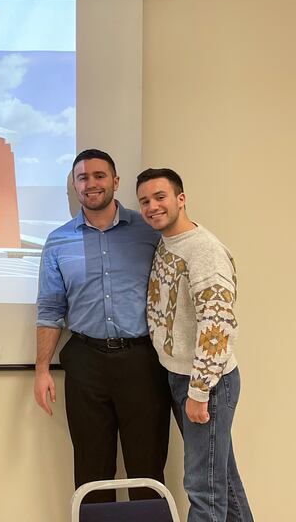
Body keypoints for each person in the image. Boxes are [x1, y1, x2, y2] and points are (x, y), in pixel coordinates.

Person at [33, 149, 171, 503]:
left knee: (148, 469)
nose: (91, 184)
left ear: (115, 182)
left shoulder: (148, 231)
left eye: (99, 176)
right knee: (92, 473)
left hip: (142, 361)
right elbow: (50, 308)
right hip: (85, 363)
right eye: (83, 178)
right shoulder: (58, 241)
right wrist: (42, 368)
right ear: (75, 186)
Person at [136, 168, 253, 522]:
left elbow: (217, 325)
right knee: (223, 483)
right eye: (145, 201)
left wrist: (200, 392)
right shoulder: (169, 242)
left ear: (180, 198)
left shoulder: (204, 250)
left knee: (203, 490)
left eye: (160, 197)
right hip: (181, 377)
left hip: (207, 383)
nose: (152, 206)